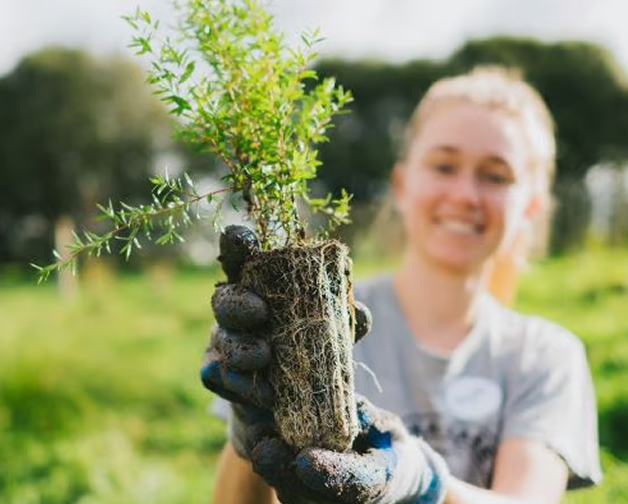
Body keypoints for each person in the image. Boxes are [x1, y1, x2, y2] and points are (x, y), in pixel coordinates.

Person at [201, 66, 602, 504]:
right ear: (402, 184)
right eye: (444, 165)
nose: (465, 194)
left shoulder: (544, 356)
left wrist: (420, 481)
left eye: (496, 175)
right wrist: (251, 429)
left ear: (531, 205)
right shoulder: (326, 324)